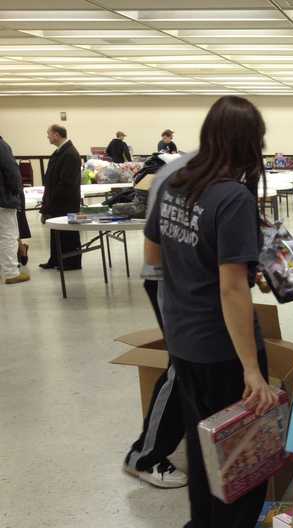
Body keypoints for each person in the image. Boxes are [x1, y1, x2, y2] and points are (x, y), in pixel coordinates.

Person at [144, 96, 278, 528]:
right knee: (243, 448)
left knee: (203, 446)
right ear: (246, 142)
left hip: (183, 338)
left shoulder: (177, 181)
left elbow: (154, 256)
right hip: (222, 346)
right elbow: (230, 287)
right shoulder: (232, 196)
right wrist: (251, 370)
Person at [122, 152, 195, 489]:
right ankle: (145, 456)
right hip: (171, 281)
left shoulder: (204, 168)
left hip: (190, 282)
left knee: (197, 365)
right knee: (183, 365)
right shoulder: (182, 175)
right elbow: (155, 247)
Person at [39, 124, 82, 271]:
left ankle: (72, 262)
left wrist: (51, 199)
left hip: (66, 202)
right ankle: (56, 259)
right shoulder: (60, 152)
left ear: (57, 135)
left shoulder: (69, 153)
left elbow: (66, 182)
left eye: (49, 134)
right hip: (58, 201)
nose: (48, 137)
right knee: (56, 231)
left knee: (68, 234)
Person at [0, 135, 28, 284]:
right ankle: (11, 273)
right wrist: (16, 191)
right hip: (3, 200)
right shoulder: (2, 146)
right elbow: (12, 172)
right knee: (8, 236)